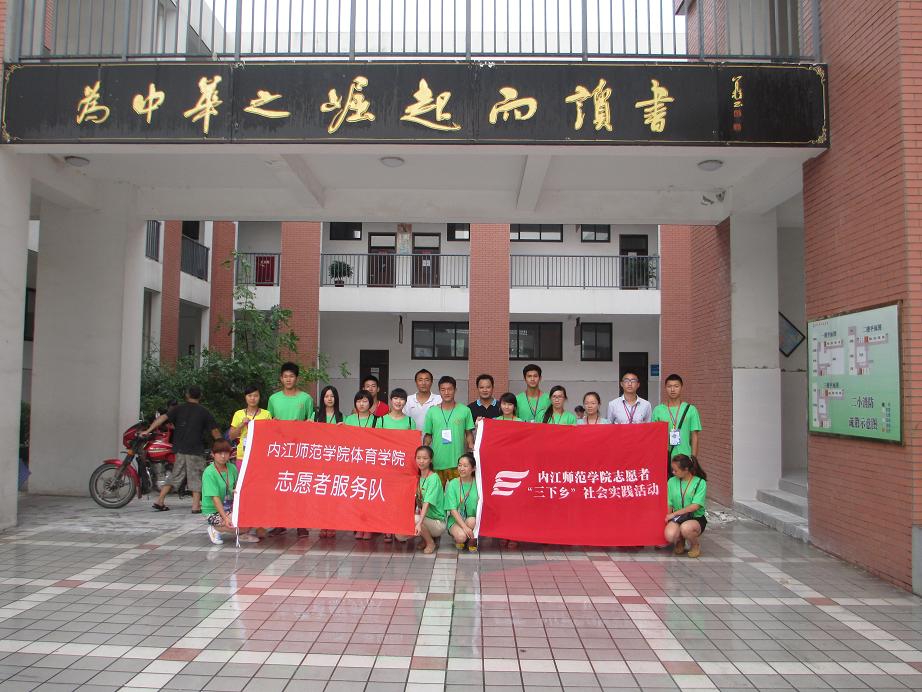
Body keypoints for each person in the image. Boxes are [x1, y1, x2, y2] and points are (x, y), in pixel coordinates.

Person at [143, 385, 221, 513]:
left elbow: (162, 418)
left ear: (187, 395)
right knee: (196, 476)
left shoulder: (178, 409)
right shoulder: (204, 412)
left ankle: (160, 500)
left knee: (175, 475)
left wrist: (148, 430)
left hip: (179, 449)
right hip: (195, 449)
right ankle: (195, 506)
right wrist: (221, 444)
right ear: (200, 396)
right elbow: (215, 431)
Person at [267, 362, 315, 538]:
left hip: (300, 450)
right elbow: (269, 422)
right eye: (285, 376)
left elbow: (312, 422)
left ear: (297, 378)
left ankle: (301, 525)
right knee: (280, 487)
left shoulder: (306, 399)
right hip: (280, 450)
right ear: (281, 378)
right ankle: (280, 523)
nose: (288, 379)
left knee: (300, 487)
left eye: (291, 376)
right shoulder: (273, 399)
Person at [203, 439, 259, 545]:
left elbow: (237, 487)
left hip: (229, 506)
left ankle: (241, 533)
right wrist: (225, 517)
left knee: (252, 517)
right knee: (241, 525)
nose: (223, 456)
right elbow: (215, 498)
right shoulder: (209, 473)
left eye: (226, 453)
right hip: (213, 510)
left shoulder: (232, 468)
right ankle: (215, 529)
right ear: (213, 454)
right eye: (219, 453)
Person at [423, 376, 475, 485]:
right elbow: (428, 436)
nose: (446, 392)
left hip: (458, 464)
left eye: (450, 389)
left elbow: (469, 433)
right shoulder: (432, 411)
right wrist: (424, 453)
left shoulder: (465, 410)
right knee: (436, 494)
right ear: (439, 391)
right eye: (443, 389)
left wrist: (472, 448)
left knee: (457, 493)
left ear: (455, 390)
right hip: (437, 463)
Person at [395, 446, 445, 554]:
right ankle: (424, 537)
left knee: (415, 520)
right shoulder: (417, 477)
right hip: (424, 518)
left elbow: (426, 503)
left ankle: (430, 542)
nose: (421, 461)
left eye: (425, 458)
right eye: (418, 458)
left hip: (437, 521)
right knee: (399, 535)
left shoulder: (434, 478)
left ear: (431, 460)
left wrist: (419, 523)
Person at [345, 391, 377, 540]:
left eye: (364, 401)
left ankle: (368, 527)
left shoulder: (377, 420)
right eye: (358, 401)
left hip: (370, 464)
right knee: (356, 496)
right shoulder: (349, 419)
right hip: (354, 463)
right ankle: (358, 526)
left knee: (369, 497)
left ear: (370, 403)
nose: (361, 404)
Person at [651, 374, 702, 467]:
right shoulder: (658, 410)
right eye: (669, 386)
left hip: (685, 458)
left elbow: (694, 436)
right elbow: (654, 437)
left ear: (681, 387)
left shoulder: (691, 409)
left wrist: (694, 459)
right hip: (664, 458)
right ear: (665, 388)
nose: (672, 389)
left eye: (676, 386)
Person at [664, 454, 707, 558]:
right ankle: (680, 540)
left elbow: (695, 506)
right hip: (678, 518)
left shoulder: (700, 482)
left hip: (695, 518)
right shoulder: (671, 481)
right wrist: (667, 518)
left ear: (686, 469)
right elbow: (669, 503)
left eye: (676, 470)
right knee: (669, 535)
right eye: (672, 469)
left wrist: (674, 514)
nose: (673, 472)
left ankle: (695, 545)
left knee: (686, 528)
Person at [314, 385, 342, 539]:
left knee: (333, 495)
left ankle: (332, 524)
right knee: (321, 495)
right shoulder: (315, 416)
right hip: (319, 461)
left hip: (335, 462)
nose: (329, 399)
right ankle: (322, 524)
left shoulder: (341, 416)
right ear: (322, 398)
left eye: (332, 396)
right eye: (326, 396)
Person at [445, 453, 479, 553]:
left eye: (465, 466)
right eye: (459, 465)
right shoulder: (453, 484)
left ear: (473, 468)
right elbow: (452, 510)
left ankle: (471, 538)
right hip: (456, 520)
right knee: (461, 537)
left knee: (472, 521)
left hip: (472, 520)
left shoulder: (478, 484)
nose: (461, 468)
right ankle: (464, 536)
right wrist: (465, 528)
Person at [228, 385, 272, 461]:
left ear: (259, 397)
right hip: (243, 456)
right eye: (249, 395)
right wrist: (241, 425)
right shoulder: (238, 414)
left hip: (261, 454)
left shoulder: (266, 414)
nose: (252, 398)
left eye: (256, 396)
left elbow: (270, 435)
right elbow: (231, 436)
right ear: (245, 397)